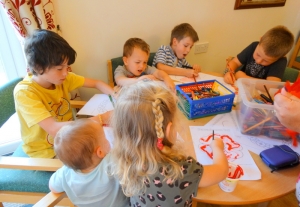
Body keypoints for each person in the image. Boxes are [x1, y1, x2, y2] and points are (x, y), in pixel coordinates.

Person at [108, 81, 228, 206]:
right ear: (169, 130)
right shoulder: (182, 170)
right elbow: (222, 171)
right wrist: (217, 147)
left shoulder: (123, 160)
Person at [14, 29, 114, 158]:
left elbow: (97, 83)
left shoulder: (62, 79)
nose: (65, 73)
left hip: (70, 138)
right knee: (101, 159)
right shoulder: (25, 93)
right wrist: (103, 118)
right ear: (39, 67)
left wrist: (115, 94)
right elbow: (54, 129)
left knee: (109, 149)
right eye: (60, 68)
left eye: (67, 67)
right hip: (47, 151)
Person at [49, 118, 128, 207]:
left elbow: (53, 188)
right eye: (105, 138)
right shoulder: (111, 162)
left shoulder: (65, 173)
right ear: (100, 152)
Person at [223, 25, 294, 84]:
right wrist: (228, 72)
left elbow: (270, 85)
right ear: (260, 40)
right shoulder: (254, 46)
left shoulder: (280, 61)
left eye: (266, 61)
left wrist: (243, 77)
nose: (258, 61)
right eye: (258, 54)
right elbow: (235, 62)